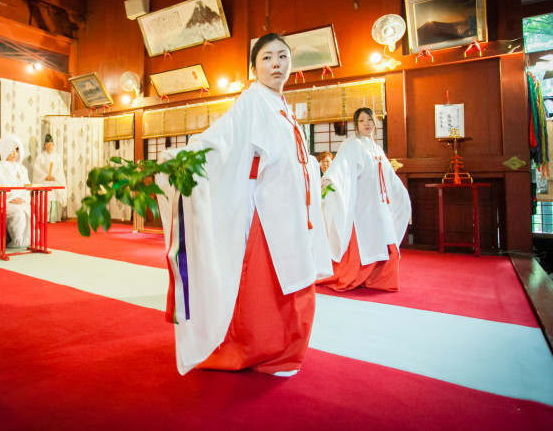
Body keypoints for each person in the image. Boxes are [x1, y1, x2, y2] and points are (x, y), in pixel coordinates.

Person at [156, 33, 332, 377]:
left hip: (290, 211)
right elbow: (220, 137)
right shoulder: (252, 101)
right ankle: (265, 350)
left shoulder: (282, 107)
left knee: (294, 280)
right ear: (254, 67)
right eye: (267, 58)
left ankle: (282, 350)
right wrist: (181, 160)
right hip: (268, 212)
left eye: (282, 56)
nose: (276, 63)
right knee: (271, 288)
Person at [318, 107, 411, 292]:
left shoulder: (377, 148)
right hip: (362, 205)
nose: (366, 124)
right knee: (365, 241)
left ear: (375, 122)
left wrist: (402, 195)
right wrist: (329, 180)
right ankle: (357, 277)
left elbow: (389, 177)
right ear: (356, 124)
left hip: (380, 204)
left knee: (387, 240)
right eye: (361, 121)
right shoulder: (352, 144)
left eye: (369, 119)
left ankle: (380, 279)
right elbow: (340, 167)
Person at [0, 134, 31, 247]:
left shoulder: (22, 169)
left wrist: (22, 199)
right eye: (12, 151)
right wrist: (11, 199)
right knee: (19, 214)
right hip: (5, 202)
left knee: (28, 214)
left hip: (21, 201)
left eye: (16, 151)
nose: (15, 154)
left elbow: (26, 187)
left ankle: (25, 240)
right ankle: (16, 240)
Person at [32, 133, 67, 222]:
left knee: (54, 199)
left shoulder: (57, 157)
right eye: (47, 144)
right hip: (44, 181)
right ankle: (44, 218)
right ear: (44, 145)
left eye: (51, 144)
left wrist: (54, 177)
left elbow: (60, 171)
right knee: (44, 200)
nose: (50, 146)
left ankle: (54, 218)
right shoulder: (40, 157)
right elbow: (37, 170)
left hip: (54, 181)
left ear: (54, 145)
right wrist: (45, 176)